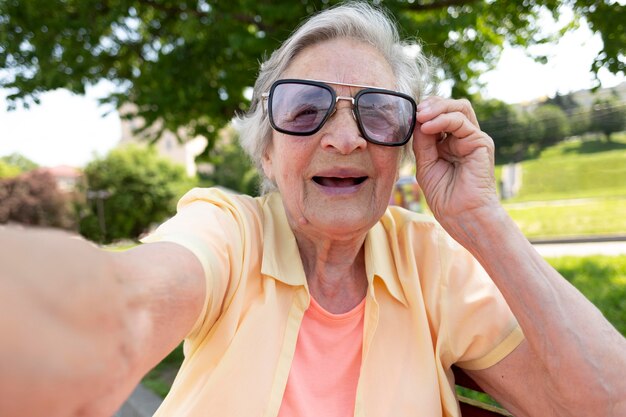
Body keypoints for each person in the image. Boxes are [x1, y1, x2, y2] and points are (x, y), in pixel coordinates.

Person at [1, 3, 625, 417]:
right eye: (304, 109)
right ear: (268, 155)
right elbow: (132, 299)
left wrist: (484, 223)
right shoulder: (228, 231)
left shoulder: (432, 264)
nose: (345, 137)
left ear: (405, 149)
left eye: (378, 112)